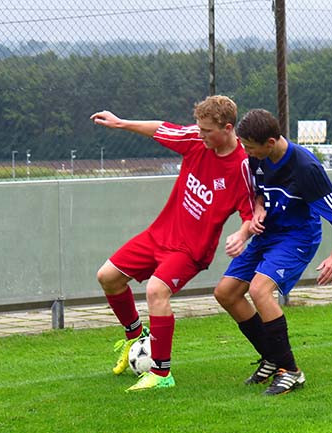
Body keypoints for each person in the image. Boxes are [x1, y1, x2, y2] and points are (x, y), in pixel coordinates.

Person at [91, 95, 254, 391]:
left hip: (190, 250)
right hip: (160, 234)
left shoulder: (242, 166)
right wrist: (120, 123)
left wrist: (242, 234)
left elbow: (250, 212)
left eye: (207, 130)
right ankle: (135, 339)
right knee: (108, 277)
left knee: (156, 290)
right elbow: (160, 128)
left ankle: (162, 375)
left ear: (227, 128)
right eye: (199, 128)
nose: (199, 134)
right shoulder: (195, 139)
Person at [214, 108, 332, 395]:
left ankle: (291, 371)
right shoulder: (258, 158)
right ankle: (272, 357)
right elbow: (260, 191)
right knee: (226, 293)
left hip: (297, 237)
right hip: (270, 233)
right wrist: (260, 209)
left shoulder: (305, 168)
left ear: (271, 143)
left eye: (250, 147)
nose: (246, 152)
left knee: (260, 290)